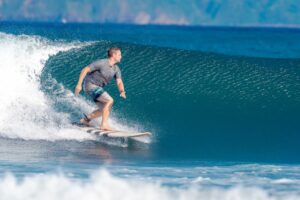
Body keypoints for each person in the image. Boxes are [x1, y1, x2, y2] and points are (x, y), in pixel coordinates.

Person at [74, 47, 126, 131]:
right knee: (110, 100)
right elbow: (85, 70)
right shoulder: (101, 63)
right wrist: (79, 85)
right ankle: (104, 125)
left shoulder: (116, 69)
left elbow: (119, 82)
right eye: (119, 54)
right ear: (113, 55)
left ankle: (85, 120)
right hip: (90, 85)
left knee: (104, 109)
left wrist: (122, 91)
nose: (121, 56)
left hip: (97, 88)